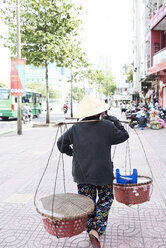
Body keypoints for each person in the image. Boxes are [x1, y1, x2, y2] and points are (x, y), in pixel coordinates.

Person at [57, 95, 129, 248]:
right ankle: (95, 229)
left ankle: (91, 228)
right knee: (106, 199)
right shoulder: (108, 126)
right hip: (103, 174)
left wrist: (72, 153)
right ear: (100, 112)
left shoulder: (75, 128)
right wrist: (113, 119)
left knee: (87, 203)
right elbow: (124, 135)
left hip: (82, 174)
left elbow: (60, 144)